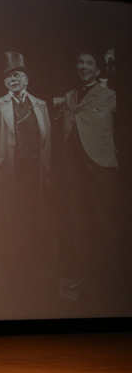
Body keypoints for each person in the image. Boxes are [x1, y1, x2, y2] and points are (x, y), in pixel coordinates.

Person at [0, 52, 51, 277]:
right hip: (11, 169)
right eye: (9, 78)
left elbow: (47, 140)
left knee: (34, 212)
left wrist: (46, 169)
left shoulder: (40, 105)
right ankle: (14, 262)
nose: (14, 80)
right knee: (12, 214)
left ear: (26, 80)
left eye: (18, 76)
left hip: (34, 168)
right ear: (5, 83)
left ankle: (34, 260)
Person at [62, 50, 119, 290]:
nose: (83, 66)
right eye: (80, 62)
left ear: (97, 70)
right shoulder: (70, 96)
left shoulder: (111, 95)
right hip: (73, 165)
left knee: (104, 219)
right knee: (78, 219)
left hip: (100, 163)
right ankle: (85, 274)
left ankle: (114, 275)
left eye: (89, 63)